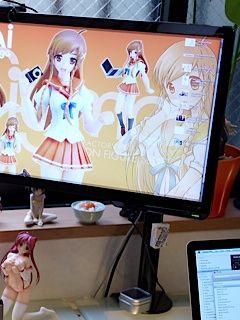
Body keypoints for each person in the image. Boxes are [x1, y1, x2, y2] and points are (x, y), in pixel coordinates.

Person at [114, 40, 215, 200]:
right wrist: (161, 117)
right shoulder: (160, 120)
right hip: (153, 197)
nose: (182, 93)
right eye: (171, 87)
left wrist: (175, 195)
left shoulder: (203, 127)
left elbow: (198, 168)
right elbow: (121, 148)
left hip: (184, 202)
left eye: (194, 83)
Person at [22, 29, 111, 184]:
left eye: (71, 60)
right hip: (53, 144)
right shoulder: (48, 88)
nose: (64, 65)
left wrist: (100, 121)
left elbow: (90, 127)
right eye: (59, 57)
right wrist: (24, 96)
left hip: (75, 147)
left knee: (72, 192)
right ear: (52, 57)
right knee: (50, 190)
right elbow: (37, 124)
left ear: (78, 61)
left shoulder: (81, 90)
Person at [0, 232, 54, 320]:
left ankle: (43, 313)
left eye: (27, 248)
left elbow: (27, 280)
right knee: (0, 314)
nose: (22, 248)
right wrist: (5, 267)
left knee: (16, 319)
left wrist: (21, 271)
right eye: (21, 244)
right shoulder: (10, 255)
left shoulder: (26, 260)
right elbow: (6, 274)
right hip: (11, 286)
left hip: (23, 289)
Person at [114, 40, 154, 136]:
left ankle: (129, 132)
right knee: (117, 109)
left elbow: (144, 76)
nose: (131, 54)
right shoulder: (129, 61)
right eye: (130, 52)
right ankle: (122, 126)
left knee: (129, 111)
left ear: (138, 52)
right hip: (124, 85)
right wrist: (118, 72)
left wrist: (148, 88)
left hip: (132, 87)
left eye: (133, 52)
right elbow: (125, 72)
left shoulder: (140, 64)